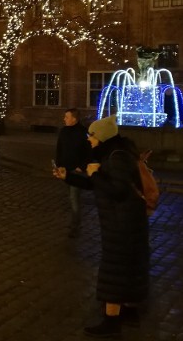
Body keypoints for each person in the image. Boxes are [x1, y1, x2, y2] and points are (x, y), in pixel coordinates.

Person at [53, 115, 149, 338]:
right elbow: (95, 184)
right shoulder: (112, 154)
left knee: (114, 270)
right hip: (123, 222)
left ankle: (112, 322)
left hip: (121, 224)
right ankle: (128, 313)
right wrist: (70, 177)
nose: (89, 139)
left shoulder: (117, 158)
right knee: (126, 269)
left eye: (92, 135)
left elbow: (117, 190)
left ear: (103, 136)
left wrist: (95, 172)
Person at [55, 108, 91, 238]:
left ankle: (75, 225)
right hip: (65, 170)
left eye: (67, 117)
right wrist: (58, 165)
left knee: (74, 197)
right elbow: (59, 149)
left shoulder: (83, 132)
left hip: (76, 171)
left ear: (74, 119)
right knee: (70, 197)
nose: (64, 119)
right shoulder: (64, 131)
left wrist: (81, 167)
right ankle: (74, 220)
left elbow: (89, 152)